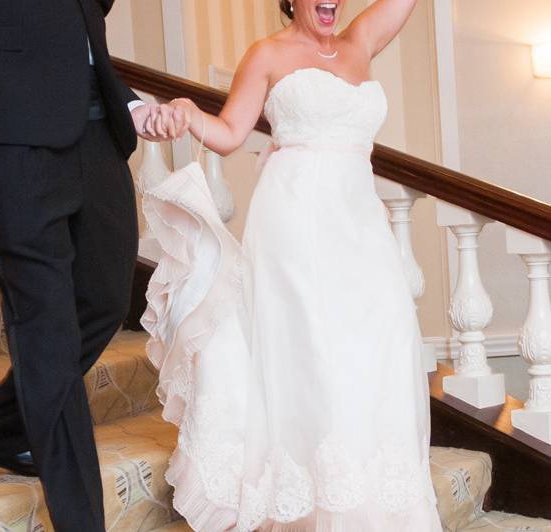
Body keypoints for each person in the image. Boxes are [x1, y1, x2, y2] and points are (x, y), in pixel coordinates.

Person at [141, 0, 444, 530]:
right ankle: (319, 508)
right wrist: (188, 114)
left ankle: (378, 503)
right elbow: (231, 132)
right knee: (317, 355)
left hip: (361, 223)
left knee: (387, 344)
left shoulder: (360, 40)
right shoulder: (267, 53)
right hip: (297, 222)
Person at [0, 1, 185, 531]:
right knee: (45, 327)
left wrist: (130, 104)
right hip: (7, 128)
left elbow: (79, 21)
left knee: (104, 299)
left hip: (95, 130)